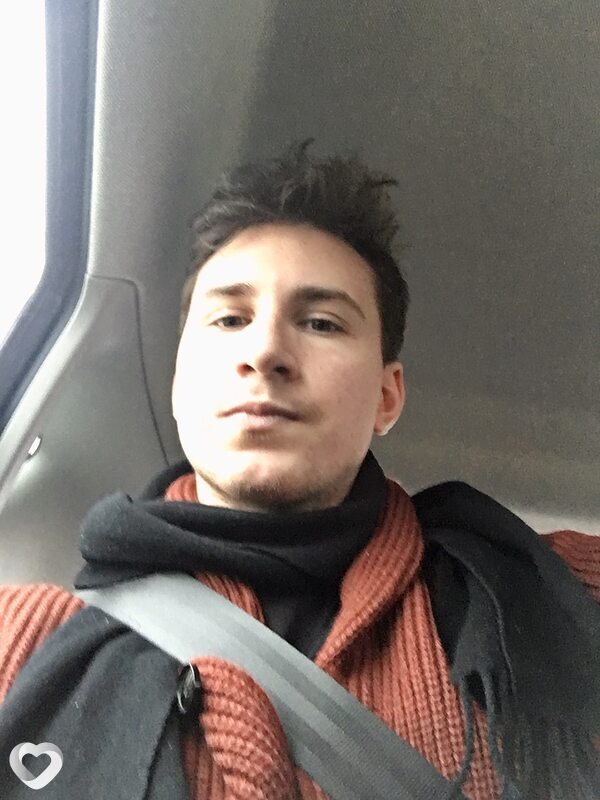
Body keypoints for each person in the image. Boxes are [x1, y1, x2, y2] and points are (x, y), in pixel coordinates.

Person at [0, 138, 598, 800]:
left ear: (387, 397)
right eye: (229, 318)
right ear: (178, 381)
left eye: (321, 323)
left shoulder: (558, 597)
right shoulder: (21, 638)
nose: (265, 352)